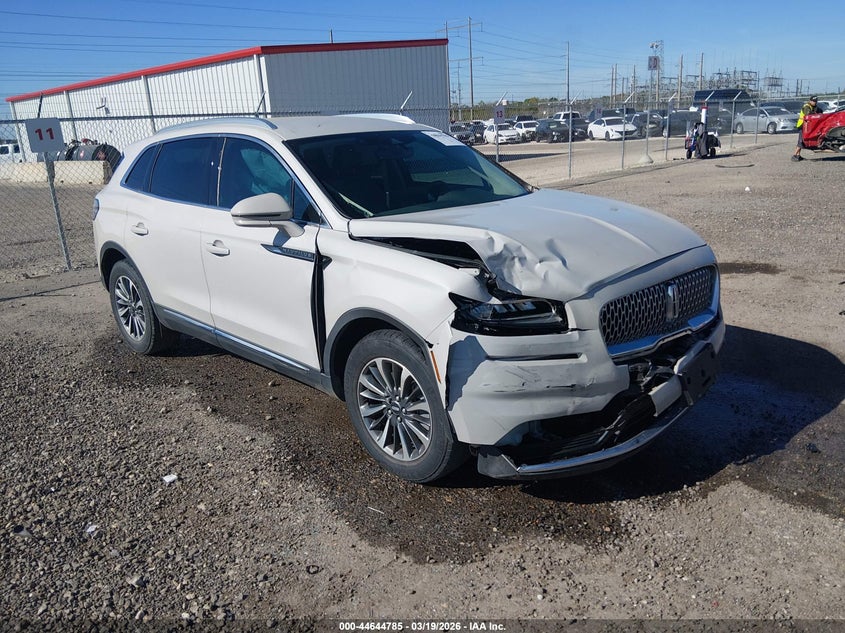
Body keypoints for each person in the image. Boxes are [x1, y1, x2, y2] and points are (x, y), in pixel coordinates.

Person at [792, 96, 822, 161]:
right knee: (801, 140)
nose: (814, 102)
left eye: (815, 101)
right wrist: (816, 113)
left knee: (802, 141)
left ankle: (798, 155)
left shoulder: (814, 107)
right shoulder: (806, 106)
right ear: (810, 101)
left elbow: (820, 111)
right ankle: (794, 155)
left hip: (807, 126)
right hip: (802, 125)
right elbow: (808, 114)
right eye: (813, 101)